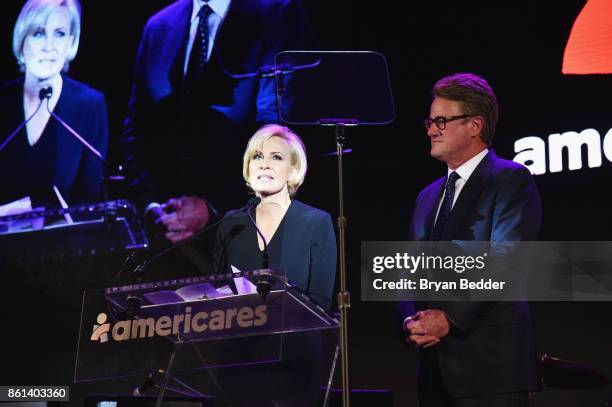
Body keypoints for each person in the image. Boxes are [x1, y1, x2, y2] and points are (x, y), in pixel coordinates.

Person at [397, 73, 542, 406]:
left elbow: (506, 262)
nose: (432, 129)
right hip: (433, 373)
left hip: (492, 371)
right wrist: (409, 320)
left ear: (475, 125)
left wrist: (448, 318)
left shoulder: (510, 179)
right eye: (430, 122)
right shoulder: (426, 196)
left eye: (442, 121)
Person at [121, 0, 315, 245]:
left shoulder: (277, 13)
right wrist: (151, 206)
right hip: (165, 240)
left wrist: (213, 207)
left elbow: (280, 136)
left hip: (247, 236)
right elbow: (134, 134)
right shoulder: (159, 26)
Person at [214, 124, 336, 310]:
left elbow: (321, 303)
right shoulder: (232, 223)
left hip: (295, 335)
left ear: (293, 171)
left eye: (276, 157)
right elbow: (216, 293)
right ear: (249, 167)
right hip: (240, 336)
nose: (264, 164)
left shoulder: (315, 222)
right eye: (257, 156)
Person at [0, 0, 108, 208]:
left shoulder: (90, 106)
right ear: (22, 41)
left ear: (70, 42)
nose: (49, 47)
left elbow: (90, 199)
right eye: (39, 33)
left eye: (59, 34)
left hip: (64, 239)